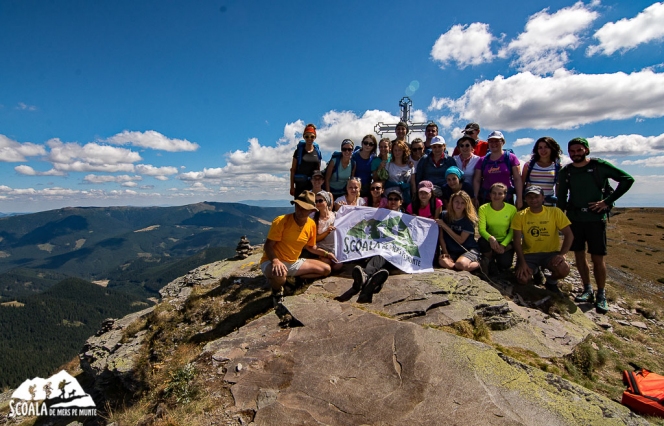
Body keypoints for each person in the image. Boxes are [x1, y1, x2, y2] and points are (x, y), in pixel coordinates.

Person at [557, 137, 635, 314]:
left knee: (598, 258)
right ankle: (587, 289)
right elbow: (561, 197)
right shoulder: (566, 171)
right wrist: (558, 218)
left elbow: (627, 179)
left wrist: (607, 202)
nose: (576, 154)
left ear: (586, 150)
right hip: (575, 218)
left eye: (579, 150)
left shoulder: (599, 166)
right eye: (572, 151)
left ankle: (601, 293)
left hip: (595, 219)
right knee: (579, 255)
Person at [261, 191, 337, 314]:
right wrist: (275, 261)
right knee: (279, 273)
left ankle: (292, 280)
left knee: (326, 269)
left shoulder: (311, 224)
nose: (300, 210)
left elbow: (311, 247)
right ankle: (277, 292)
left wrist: (326, 254)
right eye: (298, 206)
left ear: (311, 211)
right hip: (271, 261)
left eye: (304, 208)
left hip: (294, 262)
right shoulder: (281, 221)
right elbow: (268, 245)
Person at [512, 186, 574, 294]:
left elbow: (569, 235)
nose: (533, 199)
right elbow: (517, 241)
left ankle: (551, 282)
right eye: (529, 197)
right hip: (529, 254)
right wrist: (522, 263)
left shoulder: (555, 212)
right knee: (522, 279)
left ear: (543, 198)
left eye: (536, 196)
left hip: (551, 254)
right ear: (526, 199)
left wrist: (562, 254)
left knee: (564, 269)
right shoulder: (520, 216)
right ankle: (535, 271)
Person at [350, 187, 406, 303]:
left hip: (397, 255)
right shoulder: (381, 214)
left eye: (396, 199)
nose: (393, 201)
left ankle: (365, 276)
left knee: (383, 254)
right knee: (380, 263)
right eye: (390, 199)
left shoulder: (408, 218)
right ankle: (373, 286)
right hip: (379, 252)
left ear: (401, 202)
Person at [473, 131, 522, 209]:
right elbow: (477, 180)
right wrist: (475, 197)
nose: (493, 143)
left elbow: (517, 179)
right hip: (486, 199)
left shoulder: (511, 158)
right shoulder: (482, 160)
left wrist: (519, 198)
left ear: (503, 142)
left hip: (506, 199)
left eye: (497, 141)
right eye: (491, 141)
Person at [436, 191, 480, 272]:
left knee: (460, 264)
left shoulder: (469, 220)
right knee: (443, 262)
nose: (459, 205)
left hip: (468, 249)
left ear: (466, 205)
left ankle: (480, 263)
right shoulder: (444, 215)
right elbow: (441, 237)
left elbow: (460, 240)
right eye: (457, 202)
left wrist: (445, 226)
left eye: (462, 203)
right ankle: (458, 267)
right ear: (452, 202)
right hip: (451, 250)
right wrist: (446, 252)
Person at [478, 183, 517, 274]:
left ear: (505, 195)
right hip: (489, 241)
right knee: (482, 242)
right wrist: (491, 238)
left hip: (505, 241)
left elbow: (512, 231)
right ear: (490, 194)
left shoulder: (512, 209)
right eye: (494, 193)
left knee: (505, 264)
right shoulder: (483, 208)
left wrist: (503, 245)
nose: (496, 196)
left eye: (500, 194)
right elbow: (481, 229)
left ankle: (498, 255)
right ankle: (490, 260)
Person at [522, 137, 562, 206]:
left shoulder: (557, 167)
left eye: (546, 147)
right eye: (540, 147)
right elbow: (521, 184)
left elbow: (558, 187)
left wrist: (559, 203)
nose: (543, 150)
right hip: (531, 203)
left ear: (552, 148)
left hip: (549, 203)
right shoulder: (529, 165)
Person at [311, 191, 343, 272]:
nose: (318, 203)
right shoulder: (313, 219)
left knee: (338, 266)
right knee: (327, 262)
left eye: (320, 200)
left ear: (327, 201)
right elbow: (314, 239)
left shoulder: (335, 215)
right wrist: (326, 232)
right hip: (321, 249)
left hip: (335, 247)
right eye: (316, 201)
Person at [290, 123, 321, 198]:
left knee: (312, 209)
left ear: (315, 137)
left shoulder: (317, 152)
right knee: (299, 208)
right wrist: (292, 187)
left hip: (312, 186)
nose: (309, 139)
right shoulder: (298, 152)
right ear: (304, 137)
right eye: (307, 136)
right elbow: (293, 170)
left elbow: (318, 170)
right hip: (300, 186)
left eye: (312, 136)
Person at [384, 140, 414, 205]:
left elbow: (412, 184)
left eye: (399, 150)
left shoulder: (410, 166)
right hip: (390, 198)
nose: (397, 152)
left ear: (404, 151)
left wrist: (414, 197)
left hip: (405, 198)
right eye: (395, 150)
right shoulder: (388, 165)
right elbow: (383, 181)